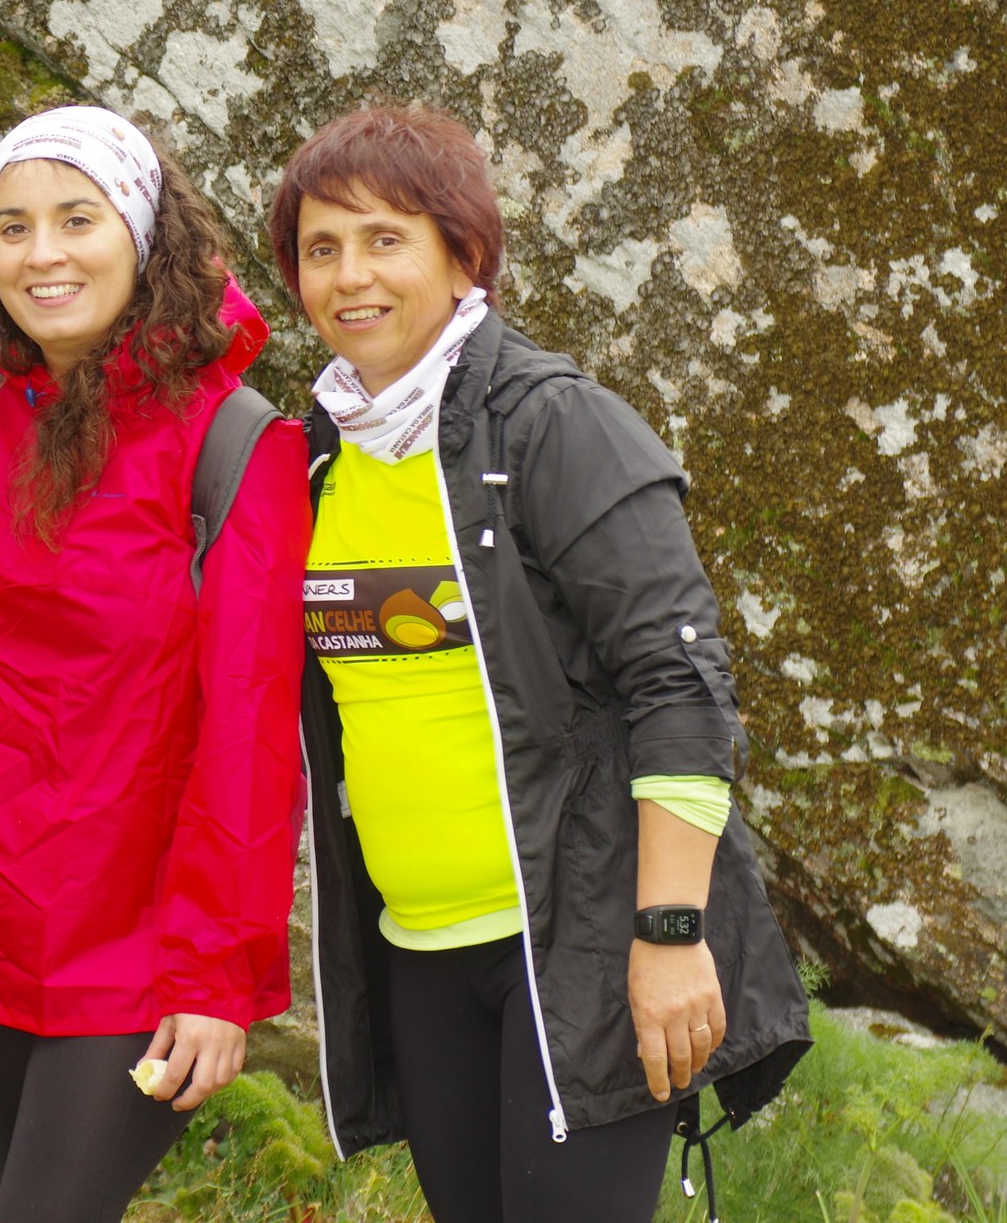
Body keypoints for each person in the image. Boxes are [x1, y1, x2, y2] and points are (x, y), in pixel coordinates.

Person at [270, 104, 811, 1223]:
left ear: (463, 254)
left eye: (385, 239)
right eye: (321, 248)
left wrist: (670, 935)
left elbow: (682, 687)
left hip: (580, 945)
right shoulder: (320, 456)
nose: (349, 276)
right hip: (420, 950)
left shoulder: (555, 424)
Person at [0, 105, 310, 1222]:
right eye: (11, 227)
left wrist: (217, 978)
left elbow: (250, 732)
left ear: (143, 234)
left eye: (76, 219)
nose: (41, 253)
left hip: (143, 956)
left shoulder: (235, 441)